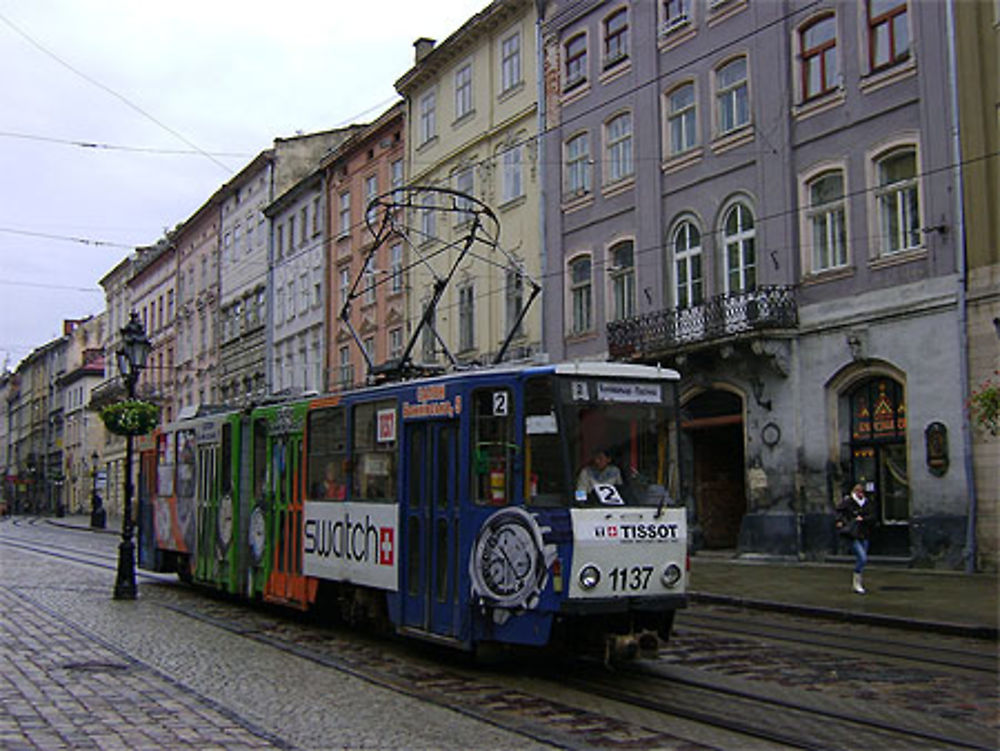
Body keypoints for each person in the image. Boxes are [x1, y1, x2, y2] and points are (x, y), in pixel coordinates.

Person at [836, 483, 878, 594]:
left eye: (861, 492)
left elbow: (873, 516)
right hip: (852, 534)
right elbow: (839, 513)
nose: (860, 494)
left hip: (864, 534)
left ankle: (858, 581)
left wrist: (863, 519)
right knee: (862, 557)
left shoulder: (867, 503)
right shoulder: (848, 502)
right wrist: (841, 522)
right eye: (858, 492)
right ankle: (857, 583)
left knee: (862, 559)